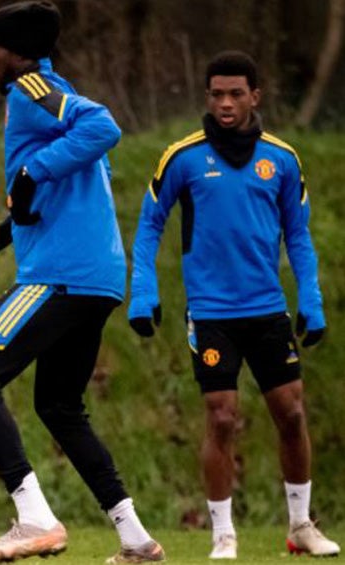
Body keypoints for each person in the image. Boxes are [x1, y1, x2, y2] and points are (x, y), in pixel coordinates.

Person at [0, 2, 163, 563]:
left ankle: (34, 518)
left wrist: (29, 174)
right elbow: (74, 176)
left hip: (59, 277)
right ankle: (135, 538)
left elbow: (105, 128)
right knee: (60, 408)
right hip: (95, 279)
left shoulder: (33, 87)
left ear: (18, 52)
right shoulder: (52, 95)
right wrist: (3, 233)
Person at [129, 51, 339, 560]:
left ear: (255, 97)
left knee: (290, 414)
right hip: (211, 311)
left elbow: (298, 234)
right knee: (221, 418)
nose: (225, 103)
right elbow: (149, 224)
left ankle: (300, 527)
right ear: (208, 96)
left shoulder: (282, 159)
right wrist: (143, 289)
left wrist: (309, 297)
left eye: (236, 94)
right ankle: (224, 534)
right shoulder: (182, 157)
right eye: (217, 94)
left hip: (266, 308)